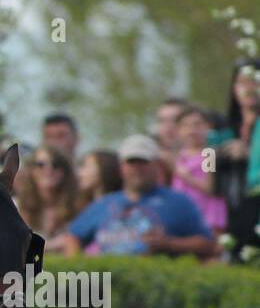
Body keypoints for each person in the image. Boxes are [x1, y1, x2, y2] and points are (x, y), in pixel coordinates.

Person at [55, 134, 215, 259]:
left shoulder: (178, 202)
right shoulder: (105, 203)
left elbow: (207, 243)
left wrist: (169, 243)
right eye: (131, 162)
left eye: (143, 162)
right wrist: (78, 267)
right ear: (121, 167)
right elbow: (73, 236)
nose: (137, 169)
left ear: (156, 165)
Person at [215, 59, 260, 262]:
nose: (248, 89)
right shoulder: (223, 128)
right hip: (231, 218)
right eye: (242, 82)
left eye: (254, 82)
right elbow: (207, 169)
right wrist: (218, 154)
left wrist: (250, 154)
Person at [171, 104, 226, 235]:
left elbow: (210, 187)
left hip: (206, 214)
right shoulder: (179, 156)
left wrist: (187, 177)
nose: (192, 130)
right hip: (183, 212)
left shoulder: (209, 153)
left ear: (207, 127)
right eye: (185, 125)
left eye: (197, 125)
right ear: (178, 130)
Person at [17, 145, 81, 242]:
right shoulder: (16, 207)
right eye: (40, 165)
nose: (48, 169)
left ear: (65, 171)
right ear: (31, 171)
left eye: (56, 164)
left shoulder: (78, 206)